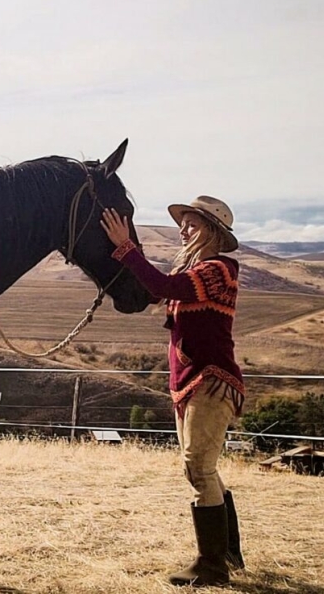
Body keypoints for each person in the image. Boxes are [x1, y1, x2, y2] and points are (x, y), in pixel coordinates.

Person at [100, 195, 245, 588]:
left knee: (198, 467)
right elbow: (156, 289)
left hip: (210, 381)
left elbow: (161, 284)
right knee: (203, 468)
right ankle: (228, 553)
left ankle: (212, 565)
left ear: (213, 232)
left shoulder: (219, 270)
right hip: (192, 383)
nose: (183, 230)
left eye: (192, 224)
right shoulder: (202, 272)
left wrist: (125, 246)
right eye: (184, 223)